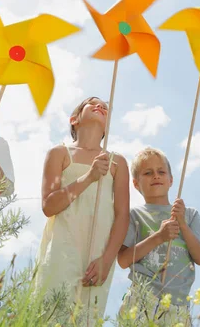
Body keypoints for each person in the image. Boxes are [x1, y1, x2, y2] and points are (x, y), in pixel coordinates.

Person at [33, 97, 130, 320]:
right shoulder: (59, 153)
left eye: (105, 107)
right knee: (50, 315)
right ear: (74, 119)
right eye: (92, 103)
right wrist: (89, 177)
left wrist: (107, 260)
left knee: (86, 318)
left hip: (97, 255)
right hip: (61, 249)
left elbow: (122, 215)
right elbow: (49, 206)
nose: (100, 107)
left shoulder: (118, 162)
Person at [117, 147, 200, 325]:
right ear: (136, 183)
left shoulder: (189, 214)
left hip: (178, 305)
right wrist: (159, 237)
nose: (156, 176)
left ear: (171, 180)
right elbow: (123, 260)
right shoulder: (133, 216)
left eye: (161, 171)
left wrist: (182, 224)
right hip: (142, 299)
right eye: (148, 172)